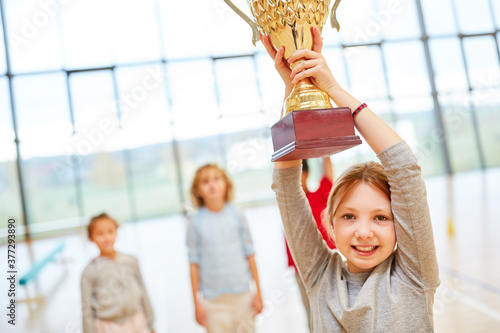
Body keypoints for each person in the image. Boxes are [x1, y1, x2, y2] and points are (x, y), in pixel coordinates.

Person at [262, 27, 439, 332]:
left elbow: (404, 168)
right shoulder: (319, 275)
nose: (364, 232)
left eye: (381, 217)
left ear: (402, 223)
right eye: (348, 216)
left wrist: (332, 88)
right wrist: (295, 90)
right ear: (329, 223)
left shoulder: (414, 274)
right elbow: (287, 190)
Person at [187, 164, 264, 333]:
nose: (212, 184)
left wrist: (258, 292)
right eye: (205, 181)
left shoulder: (237, 215)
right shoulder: (195, 222)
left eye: (217, 178)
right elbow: (193, 264)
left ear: (226, 184)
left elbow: (250, 254)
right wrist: (196, 303)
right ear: (197, 190)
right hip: (212, 303)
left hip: (243, 297)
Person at [81, 213, 155, 333]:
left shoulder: (131, 261)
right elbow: (86, 310)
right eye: (100, 234)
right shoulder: (89, 271)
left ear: (117, 232)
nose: (106, 237)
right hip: (108, 327)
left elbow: (143, 292)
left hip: (137, 322)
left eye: (110, 231)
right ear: (91, 237)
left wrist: (151, 323)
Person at [285, 157, 335, 330]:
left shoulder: (318, 195)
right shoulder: (288, 204)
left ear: (305, 173)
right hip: (302, 271)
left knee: (332, 312)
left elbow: (327, 175)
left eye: (297, 174)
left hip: (326, 266)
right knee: (312, 315)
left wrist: (325, 153)